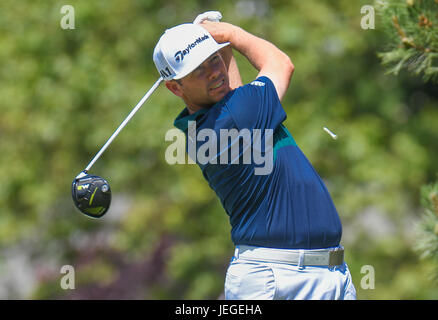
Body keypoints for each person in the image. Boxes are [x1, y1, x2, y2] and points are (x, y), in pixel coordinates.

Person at [153, 18, 356, 300]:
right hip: (278, 279)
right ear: (175, 88)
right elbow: (281, 63)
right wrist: (231, 34)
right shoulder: (238, 115)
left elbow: (232, 92)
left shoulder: (211, 121)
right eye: (198, 70)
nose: (213, 73)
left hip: (325, 272)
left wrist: (222, 47)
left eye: (213, 59)